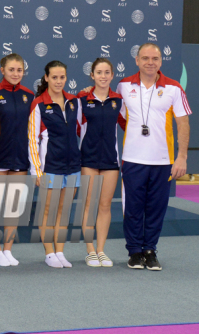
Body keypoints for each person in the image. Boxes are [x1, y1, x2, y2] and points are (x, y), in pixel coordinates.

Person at [116, 43, 191, 271]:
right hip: (132, 159)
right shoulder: (123, 85)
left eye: (155, 59)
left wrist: (182, 157)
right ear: (137, 60)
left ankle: (150, 250)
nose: (150, 62)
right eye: (145, 58)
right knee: (133, 208)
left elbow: (183, 124)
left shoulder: (174, 88)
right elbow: (118, 117)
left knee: (157, 207)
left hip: (162, 161)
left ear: (160, 61)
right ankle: (134, 251)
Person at [28, 60, 81, 269]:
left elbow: (80, 130)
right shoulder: (39, 103)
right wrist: (36, 170)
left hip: (73, 166)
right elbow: (32, 139)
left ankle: (60, 251)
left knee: (63, 210)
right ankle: (49, 252)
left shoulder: (74, 102)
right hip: (50, 166)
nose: (59, 81)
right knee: (48, 210)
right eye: (54, 77)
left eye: (62, 77)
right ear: (46, 78)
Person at [0, 53, 35, 266]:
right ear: (2, 70)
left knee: (13, 206)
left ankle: (8, 249)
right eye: (11, 70)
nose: (16, 74)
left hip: (19, 157)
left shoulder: (29, 95)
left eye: (19, 70)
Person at [76, 58, 122, 268]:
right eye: (99, 72)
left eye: (106, 72)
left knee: (105, 206)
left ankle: (101, 250)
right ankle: (90, 251)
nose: (103, 76)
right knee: (89, 204)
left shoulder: (119, 100)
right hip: (89, 158)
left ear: (112, 75)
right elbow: (74, 127)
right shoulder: (82, 98)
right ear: (92, 75)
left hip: (110, 160)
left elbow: (129, 125)